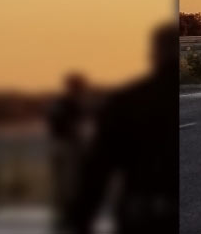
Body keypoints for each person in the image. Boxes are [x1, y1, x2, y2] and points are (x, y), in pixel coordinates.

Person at [72, 23, 178, 233]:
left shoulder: (128, 99)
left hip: (142, 208)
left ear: (155, 53)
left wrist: (82, 216)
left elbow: (98, 165)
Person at [47, 72, 87, 233]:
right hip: (68, 147)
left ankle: (63, 214)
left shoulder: (59, 104)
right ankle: (68, 215)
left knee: (62, 184)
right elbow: (74, 128)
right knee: (70, 183)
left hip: (59, 146)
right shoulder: (73, 105)